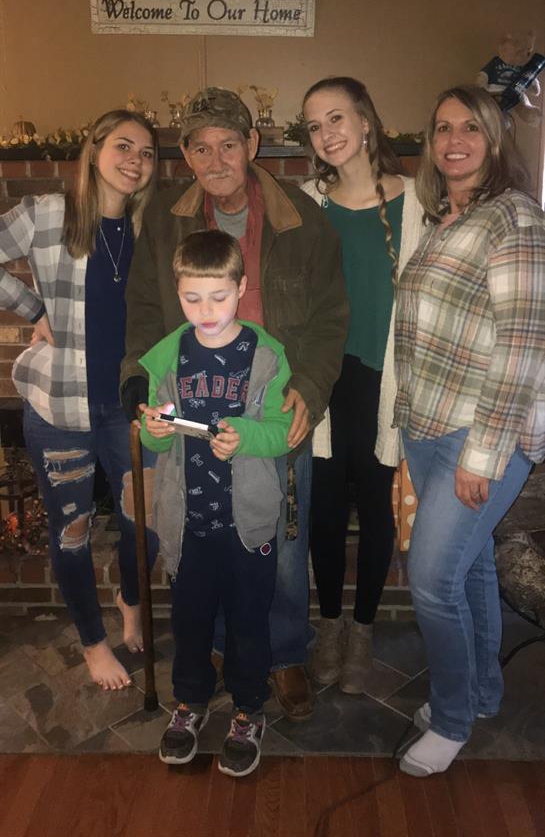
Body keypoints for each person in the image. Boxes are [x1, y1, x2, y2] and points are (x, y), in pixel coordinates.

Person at [120, 86, 348, 720]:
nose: (215, 159)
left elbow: (331, 319)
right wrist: (136, 375)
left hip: (274, 407)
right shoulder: (164, 219)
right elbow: (143, 307)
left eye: (228, 144)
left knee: (278, 539)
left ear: (251, 144)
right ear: (185, 155)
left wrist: (310, 388)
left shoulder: (302, 220)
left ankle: (283, 652)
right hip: (191, 406)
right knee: (201, 533)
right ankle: (222, 648)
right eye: (200, 148)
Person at [394, 85, 545, 776]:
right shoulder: (445, 220)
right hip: (428, 425)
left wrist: (482, 456)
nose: (453, 140)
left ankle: (451, 718)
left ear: (494, 139)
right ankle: (482, 692)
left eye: (469, 128)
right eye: (441, 128)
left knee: (431, 581)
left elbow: (520, 347)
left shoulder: (514, 218)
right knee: (472, 565)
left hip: (480, 433)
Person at [0, 109, 160, 690]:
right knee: (72, 532)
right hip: (60, 410)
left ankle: (130, 598)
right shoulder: (46, 213)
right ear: (94, 149)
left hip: (132, 407)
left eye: (146, 153)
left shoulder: (150, 228)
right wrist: (32, 308)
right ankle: (93, 643)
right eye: (123, 146)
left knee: (151, 523)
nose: (135, 161)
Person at [140, 229, 292, 777]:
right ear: (177, 291)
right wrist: (154, 428)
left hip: (247, 523)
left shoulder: (266, 357)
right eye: (192, 298)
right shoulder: (168, 357)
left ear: (241, 287)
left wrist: (245, 437)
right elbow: (153, 435)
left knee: (250, 622)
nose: (206, 311)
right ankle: (189, 701)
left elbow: (282, 432)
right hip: (188, 524)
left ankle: (249, 708)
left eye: (219, 297)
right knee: (189, 621)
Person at [301, 76, 423, 693]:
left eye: (336, 117)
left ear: (366, 121)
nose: (326, 134)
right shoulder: (305, 203)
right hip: (325, 383)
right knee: (324, 509)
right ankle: (329, 624)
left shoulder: (419, 201)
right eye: (314, 125)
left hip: (388, 381)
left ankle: (365, 627)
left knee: (377, 508)